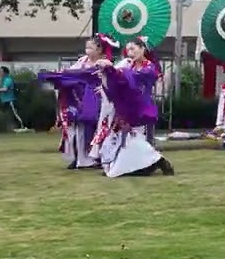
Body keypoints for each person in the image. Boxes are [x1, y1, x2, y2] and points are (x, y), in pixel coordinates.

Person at [92, 36, 174, 178]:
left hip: (141, 110)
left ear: (142, 49)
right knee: (124, 140)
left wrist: (113, 70)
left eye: (133, 48)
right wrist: (106, 78)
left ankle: (158, 160)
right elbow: (121, 83)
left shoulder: (149, 68)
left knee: (136, 140)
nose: (130, 52)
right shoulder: (128, 66)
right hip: (126, 109)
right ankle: (143, 165)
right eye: (128, 49)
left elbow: (131, 78)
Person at [38, 34, 118, 169]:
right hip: (78, 100)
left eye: (90, 47)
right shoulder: (83, 60)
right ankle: (79, 158)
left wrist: (101, 87)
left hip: (98, 101)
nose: (87, 49)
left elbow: (110, 80)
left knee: (98, 128)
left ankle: (96, 158)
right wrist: (57, 75)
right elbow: (70, 73)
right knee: (76, 130)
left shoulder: (105, 63)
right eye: (86, 47)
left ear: (99, 50)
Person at [0, 66, 28, 132]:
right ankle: (8, 128)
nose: (0, 73)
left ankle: (22, 126)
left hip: (10, 100)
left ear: (4, 72)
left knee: (15, 114)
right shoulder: (3, 80)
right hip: (4, 100)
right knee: (7, 114)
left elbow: (5, 89)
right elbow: (1, 89)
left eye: (1, 71)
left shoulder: (8, 80)